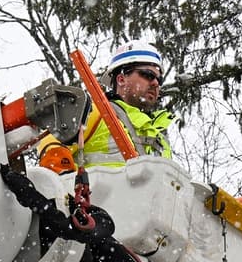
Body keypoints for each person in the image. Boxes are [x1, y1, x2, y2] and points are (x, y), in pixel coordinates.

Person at [37, 39, 173, 173]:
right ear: (121, 79)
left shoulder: (161, 140)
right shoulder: (96, 113)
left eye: (158, 79)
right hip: (96, 194)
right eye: (148, 75)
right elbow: (52, 140)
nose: (155, 83)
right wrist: (62, 171)